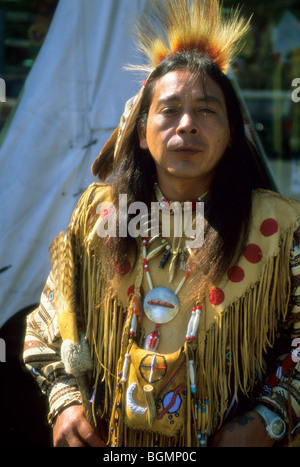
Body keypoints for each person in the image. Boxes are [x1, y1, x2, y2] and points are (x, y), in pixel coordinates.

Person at [23, 0, 300, 447]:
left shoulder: (279, 228)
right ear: (140, 129)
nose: (187, 125)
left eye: (207, 111)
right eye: (169, 110)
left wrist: (267, 419)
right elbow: (49, 322)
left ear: (232, 134)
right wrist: (66, 400)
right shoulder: (98, 217)